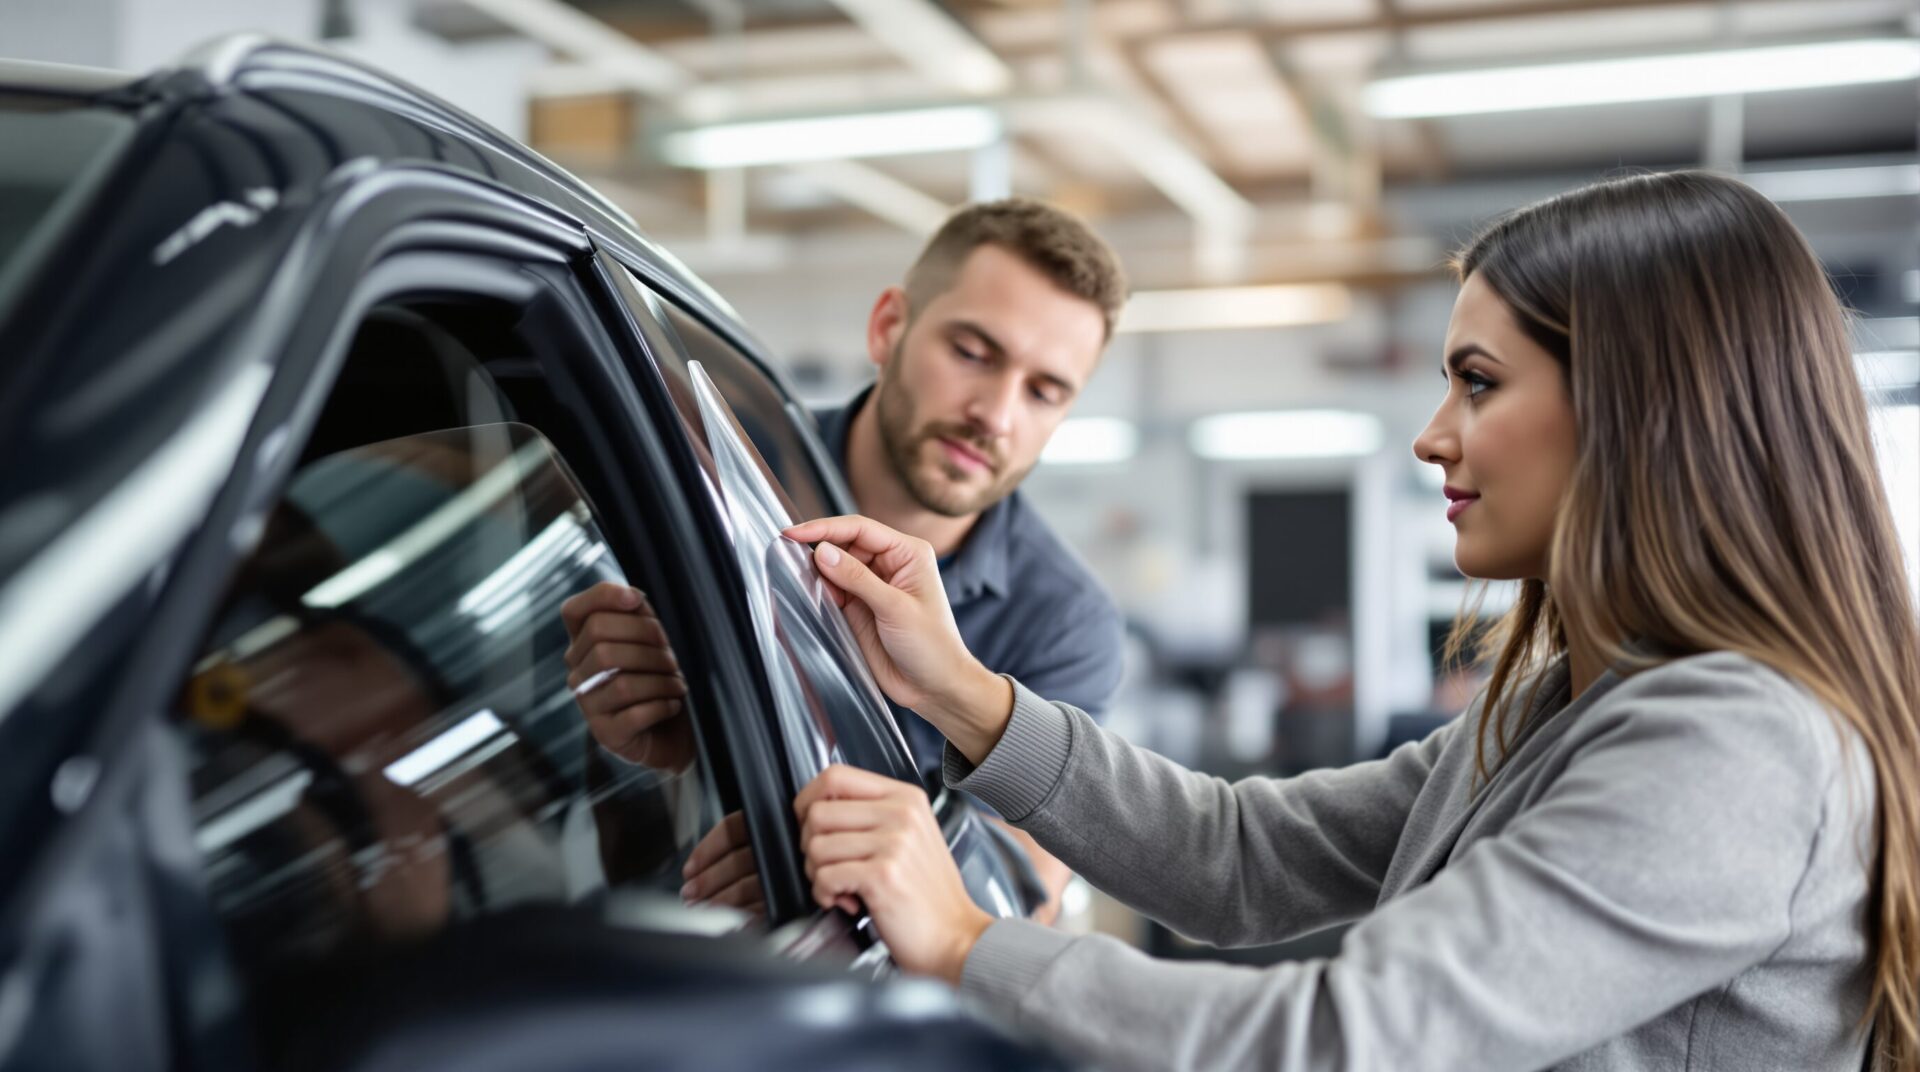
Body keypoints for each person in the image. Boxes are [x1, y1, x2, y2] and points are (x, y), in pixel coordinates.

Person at [775, 171, 1920, 1071]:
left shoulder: (1735, 747)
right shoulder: (1568, 700)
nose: (1433, 434)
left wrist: (966, 941)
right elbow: (1238, 855)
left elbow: (1346, 1042)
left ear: (1638, 407)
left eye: (1478, 380)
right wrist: (959, 693)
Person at [568, 198, 1133, 923]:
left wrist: (844, 855)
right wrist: (628, 737)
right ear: (889, 326)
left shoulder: (1062, 623)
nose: (995, 414)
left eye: (1044, 391)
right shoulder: (705, 468)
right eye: (972, 353)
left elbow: (1021, 895)